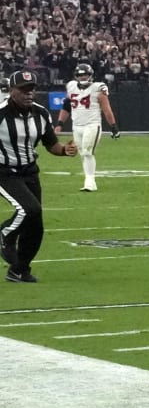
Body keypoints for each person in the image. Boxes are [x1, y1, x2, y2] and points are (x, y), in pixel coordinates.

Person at [0, 70, 78, 283]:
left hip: (30, 171)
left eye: (32, 89)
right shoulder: (1, 113)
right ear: (11, 91)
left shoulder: (40, 113)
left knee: (36, 226)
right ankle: (5, 234)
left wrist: (64, 150)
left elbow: (51, 144)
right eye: (23, 90)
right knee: (29, 209)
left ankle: (19, 270)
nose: (29, 94)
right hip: (4, 172)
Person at [56, 63, 119, 192]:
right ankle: (90, 181)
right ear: (76, 76)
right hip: (76, 126)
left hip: (92, 125)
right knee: (83, 154)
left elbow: (106, 109)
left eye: (85, 75)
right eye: (80, 75)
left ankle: (89, 182)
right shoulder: (71, 86)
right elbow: (67, 106)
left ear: (91, 75)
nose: (83, 77)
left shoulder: (98, 88)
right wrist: (60, 124)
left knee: (87, 151)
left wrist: (113, 126)